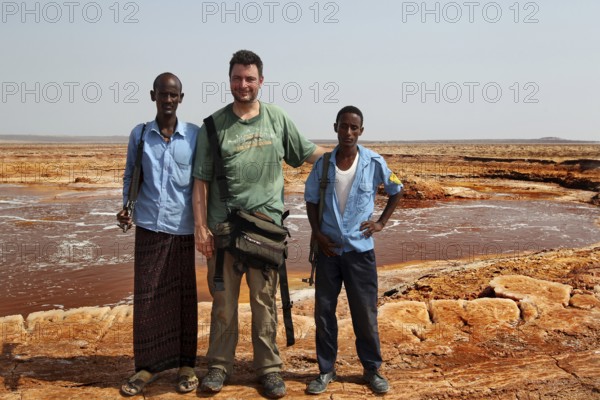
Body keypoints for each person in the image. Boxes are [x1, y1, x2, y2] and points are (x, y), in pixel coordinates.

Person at [192, 49, 324, 399]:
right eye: (237, 78)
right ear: (229, 80)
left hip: (265, 234)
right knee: (223, 305)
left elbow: (308, 153)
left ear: (261, 81)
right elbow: (200, 182)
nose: (243, 84)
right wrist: (200, 228)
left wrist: (352, 156)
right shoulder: (212, 126)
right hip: (223, 234)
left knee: (265, 303)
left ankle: (269, 369)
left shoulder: (277, 119)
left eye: (250, 78)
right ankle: (219, 366)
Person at [304, 105, 402, 395]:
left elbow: (397, 189)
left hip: (360, 252)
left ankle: (372, 370)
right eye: (343, 126)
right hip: (329, 251)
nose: (348, 132)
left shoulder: (374, 162)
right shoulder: (322, 165)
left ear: (361, 131)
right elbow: (310, 199)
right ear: (335, 127)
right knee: (324, 312)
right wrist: (317, 233)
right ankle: (325, 370)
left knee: (365, 313)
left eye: (354, 128)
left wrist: (381, 223)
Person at [116, 73, 200, 396]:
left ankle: (186, 365)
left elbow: (201, 184)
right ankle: (146, 368)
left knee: (184, 297)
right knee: (147, 298)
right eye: (163, 94)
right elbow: (130, 176)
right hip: (149, 227)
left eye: (173, 95)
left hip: (183, 230)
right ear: (153, 96)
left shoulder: (194, 136)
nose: (168, 100)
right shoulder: (139, 135)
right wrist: (126, 207)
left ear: (182, 98)